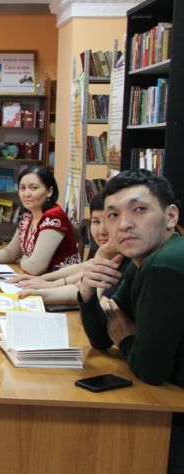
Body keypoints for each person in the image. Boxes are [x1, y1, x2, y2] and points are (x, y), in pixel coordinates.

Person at [75, 169, 183, 473]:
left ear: (171, 216)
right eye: (113, 215)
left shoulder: (165, 265)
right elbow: (101, 337)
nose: (123, 224)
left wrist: (125, 338)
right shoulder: (143, 259)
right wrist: (87, 289)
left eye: (139, 210)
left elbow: (150, 370)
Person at [0, 166, 80, 275]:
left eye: (34, 188)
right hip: (38, 281)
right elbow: (11, 253)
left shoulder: (54, 217)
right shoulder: (28, 216)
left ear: (49, 191)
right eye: (22, 188)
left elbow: (35, 267)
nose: (26, 194)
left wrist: (23, 258)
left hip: (61, 284)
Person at [14, 193, 128, 304]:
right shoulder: (108, 252)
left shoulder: (127, 260)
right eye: (96, 222)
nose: (102, 231)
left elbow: (96, 298)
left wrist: (47, 284)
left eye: (110, 220)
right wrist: (43, 281)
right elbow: (83, 273)